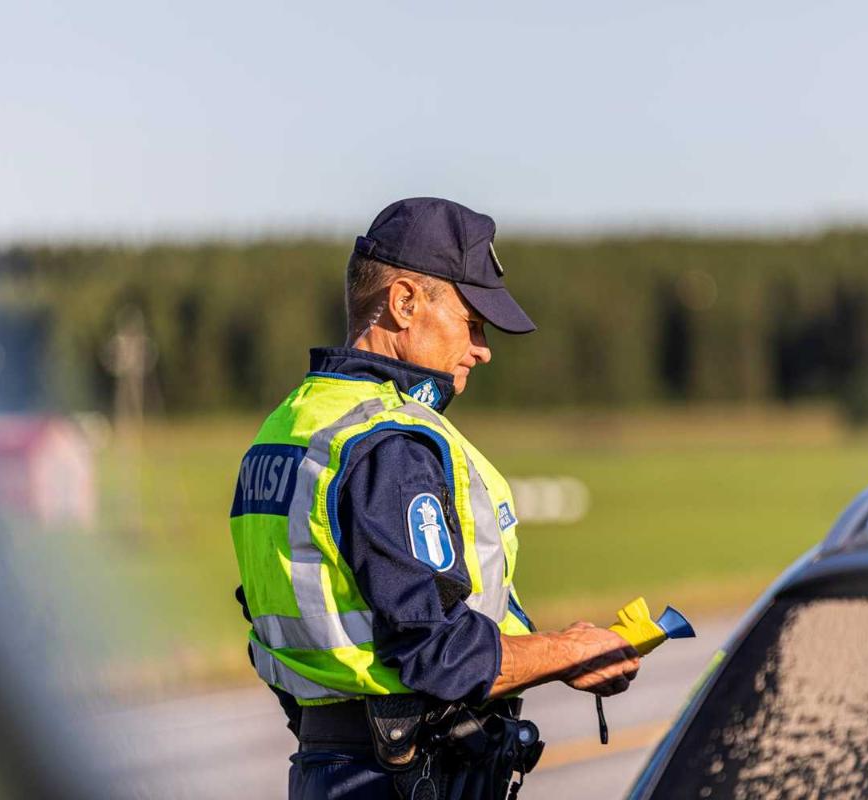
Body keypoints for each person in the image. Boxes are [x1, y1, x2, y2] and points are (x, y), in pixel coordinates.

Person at [229, 197, 641, 799]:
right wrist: (569, 650)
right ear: (404, 303)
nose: (482, 347)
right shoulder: (387, 445)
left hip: (327, 765)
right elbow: (439, 654)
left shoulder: (290, 426)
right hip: (398, 776)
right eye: (472, 321)